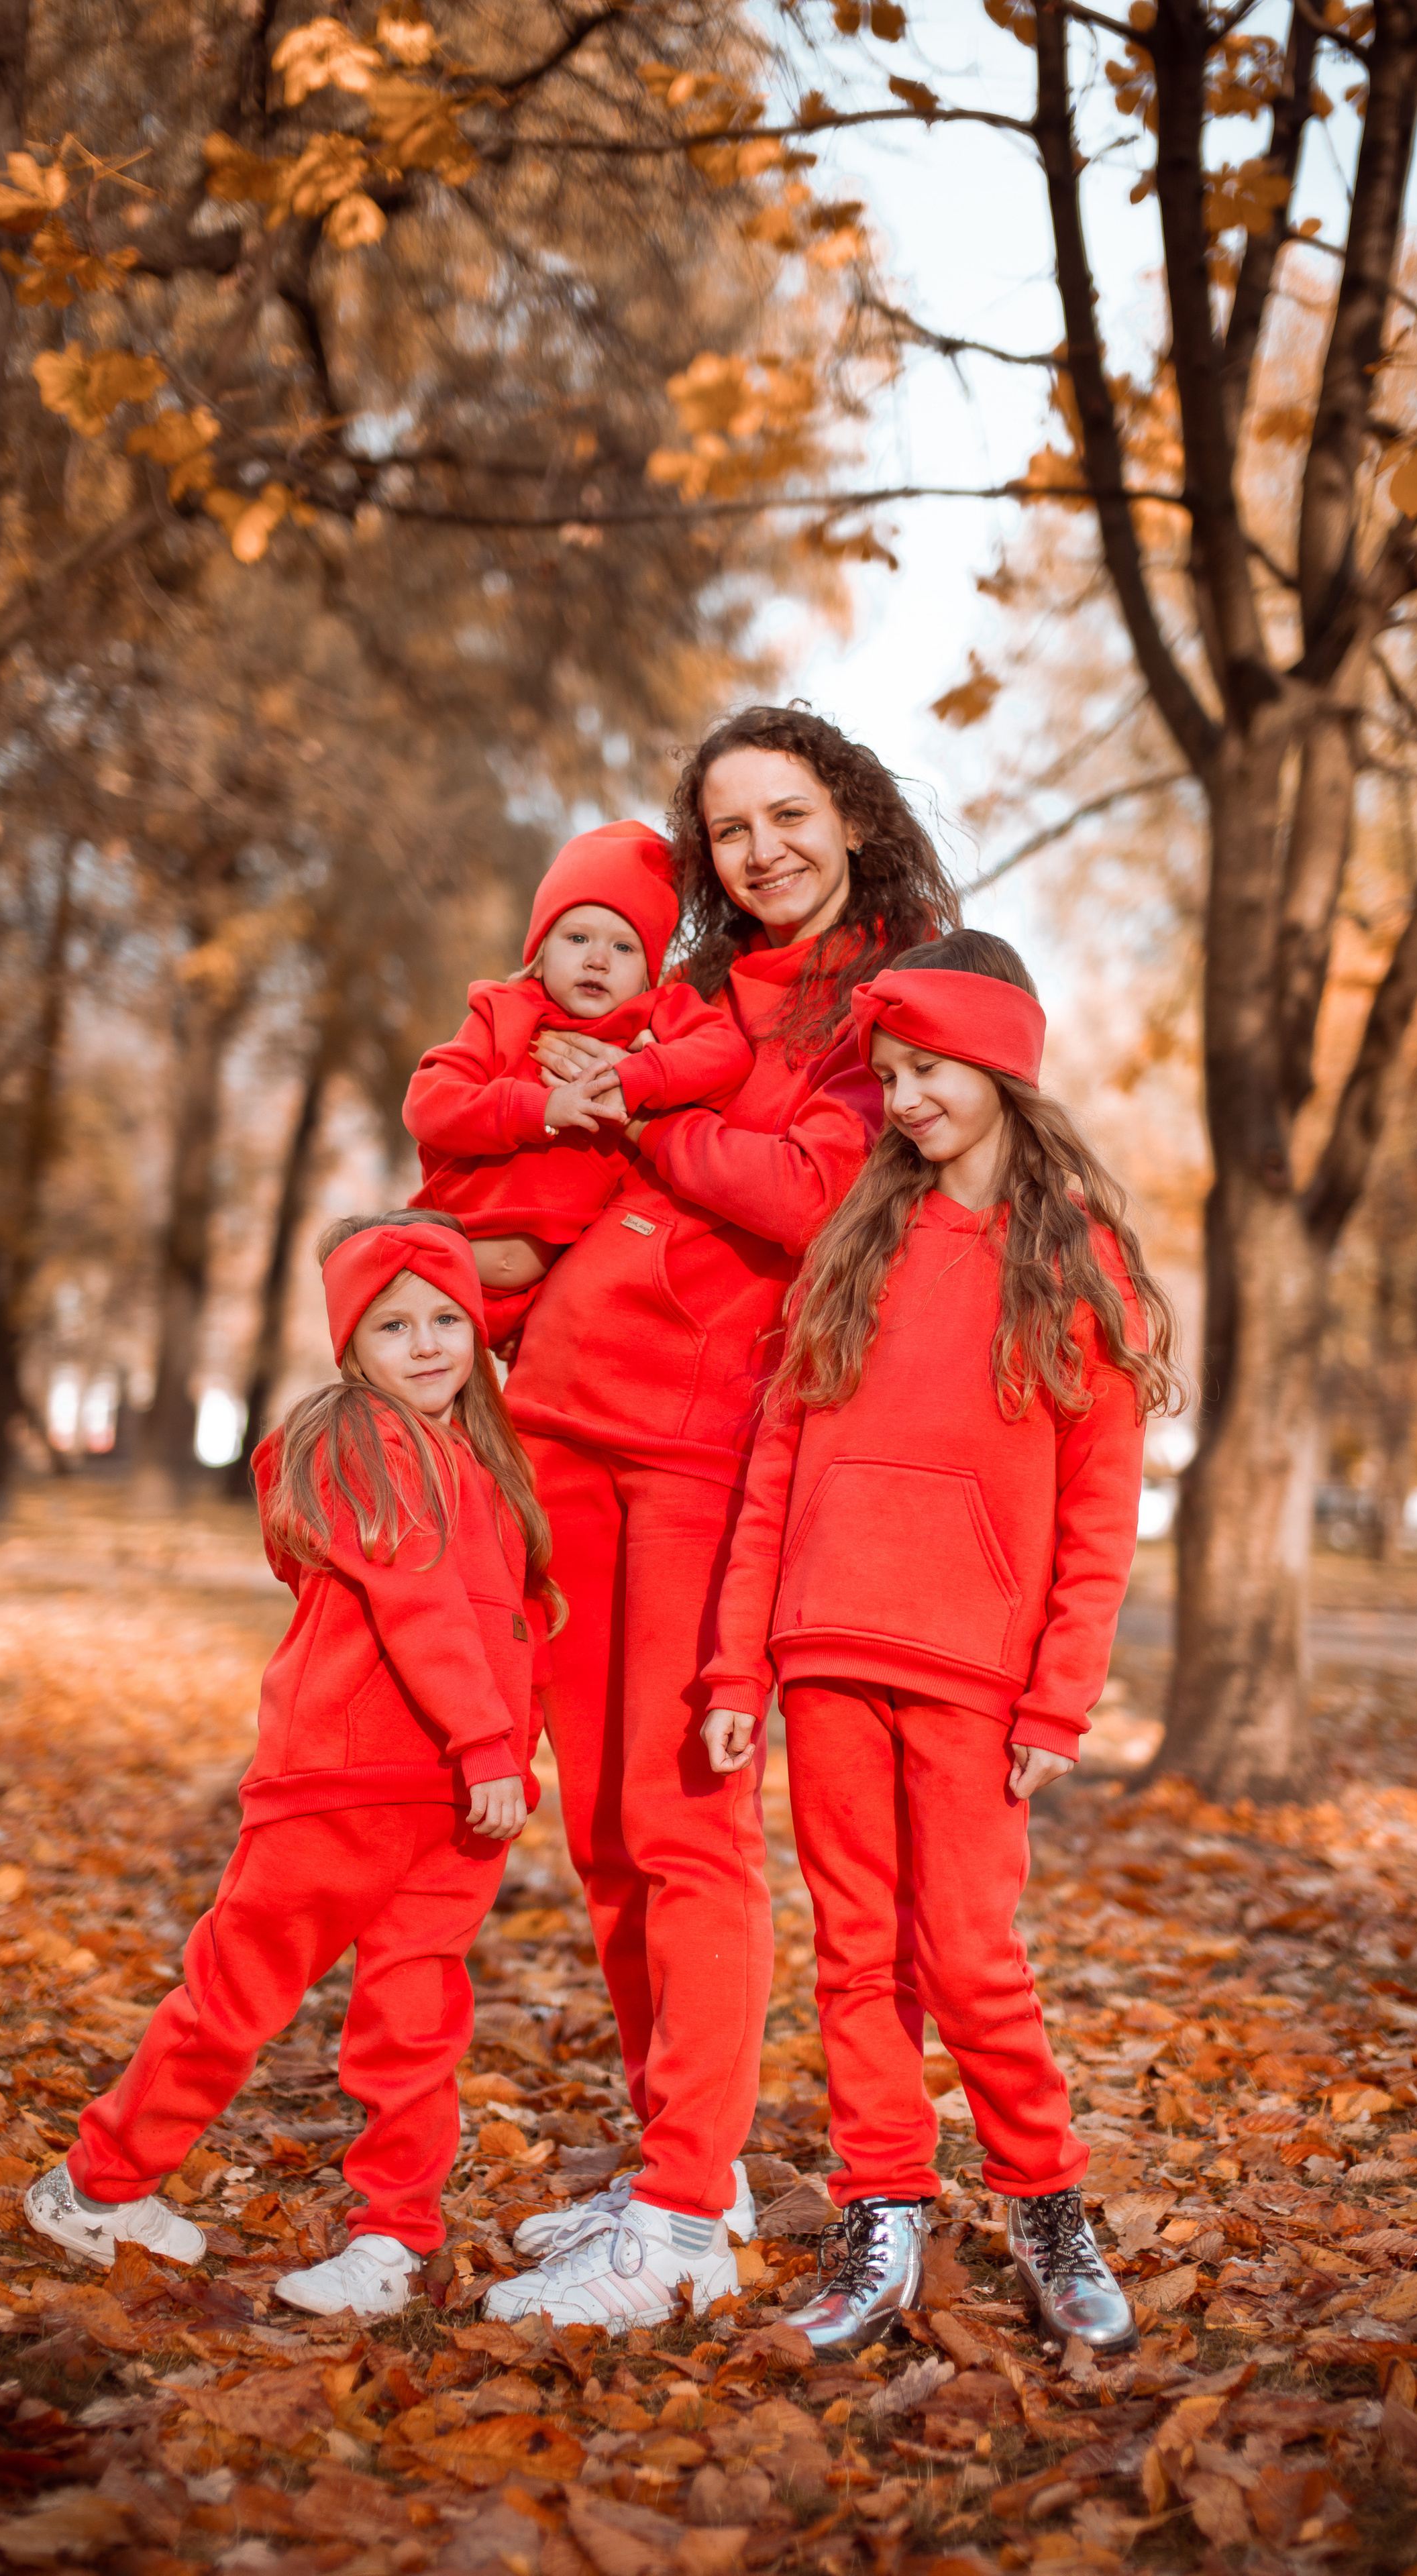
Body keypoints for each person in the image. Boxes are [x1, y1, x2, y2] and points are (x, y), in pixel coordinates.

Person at [484, 705, 959, 2330]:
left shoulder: (895, 993)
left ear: (850, 810)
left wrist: (641, 1116)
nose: (760, 852)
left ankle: (683, 2213)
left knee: (686, 1827)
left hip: (707, 1443)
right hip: (558, 1418)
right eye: (730, 829)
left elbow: (810, 1188)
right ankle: (685, 2160)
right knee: (604, 1833)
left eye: (787, 814)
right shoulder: (693, 986)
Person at [700, 930, 1183, 2353]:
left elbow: (1099, 1515)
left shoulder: (1074, 1266)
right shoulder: (856, 1240)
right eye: (890, 1074)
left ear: (998, 1066)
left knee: (968, 1953)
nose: (901, 1098)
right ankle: (883, 2212)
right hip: (825, 1650)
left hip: (976, 1674)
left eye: (925, 1070)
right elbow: (773, 1471)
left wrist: (1058, 1701)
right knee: (853, 1952)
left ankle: (1042, 2199)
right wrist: (738, 1664)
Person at [24, 1212, 556, 2320]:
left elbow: (508, 1622)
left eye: (446, 1319)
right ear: (351, 1346)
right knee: (237, 1995)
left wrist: (511, 1750)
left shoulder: (484, 1459)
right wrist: (486, 1742)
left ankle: (393, 2238)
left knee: (416, 2024)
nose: (424, 1344)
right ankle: (96, 2188)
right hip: (345, 1784)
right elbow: (417, 1606)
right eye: (393, 1323)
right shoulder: (359, 1437)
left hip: (460, 1803)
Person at [403, 820, 751, 1349]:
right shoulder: (505, 1012)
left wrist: (637, 1077)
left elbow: (727, 1056)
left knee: (475, 1425)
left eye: (624, 948)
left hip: (528, 1306)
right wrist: (542, 1109)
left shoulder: (654, 1016)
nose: (597, 959)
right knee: (390, 1409)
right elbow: (429, 1106)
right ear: (541, 951)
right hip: (436, 1263)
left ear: (650, 972)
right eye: (578, 937)